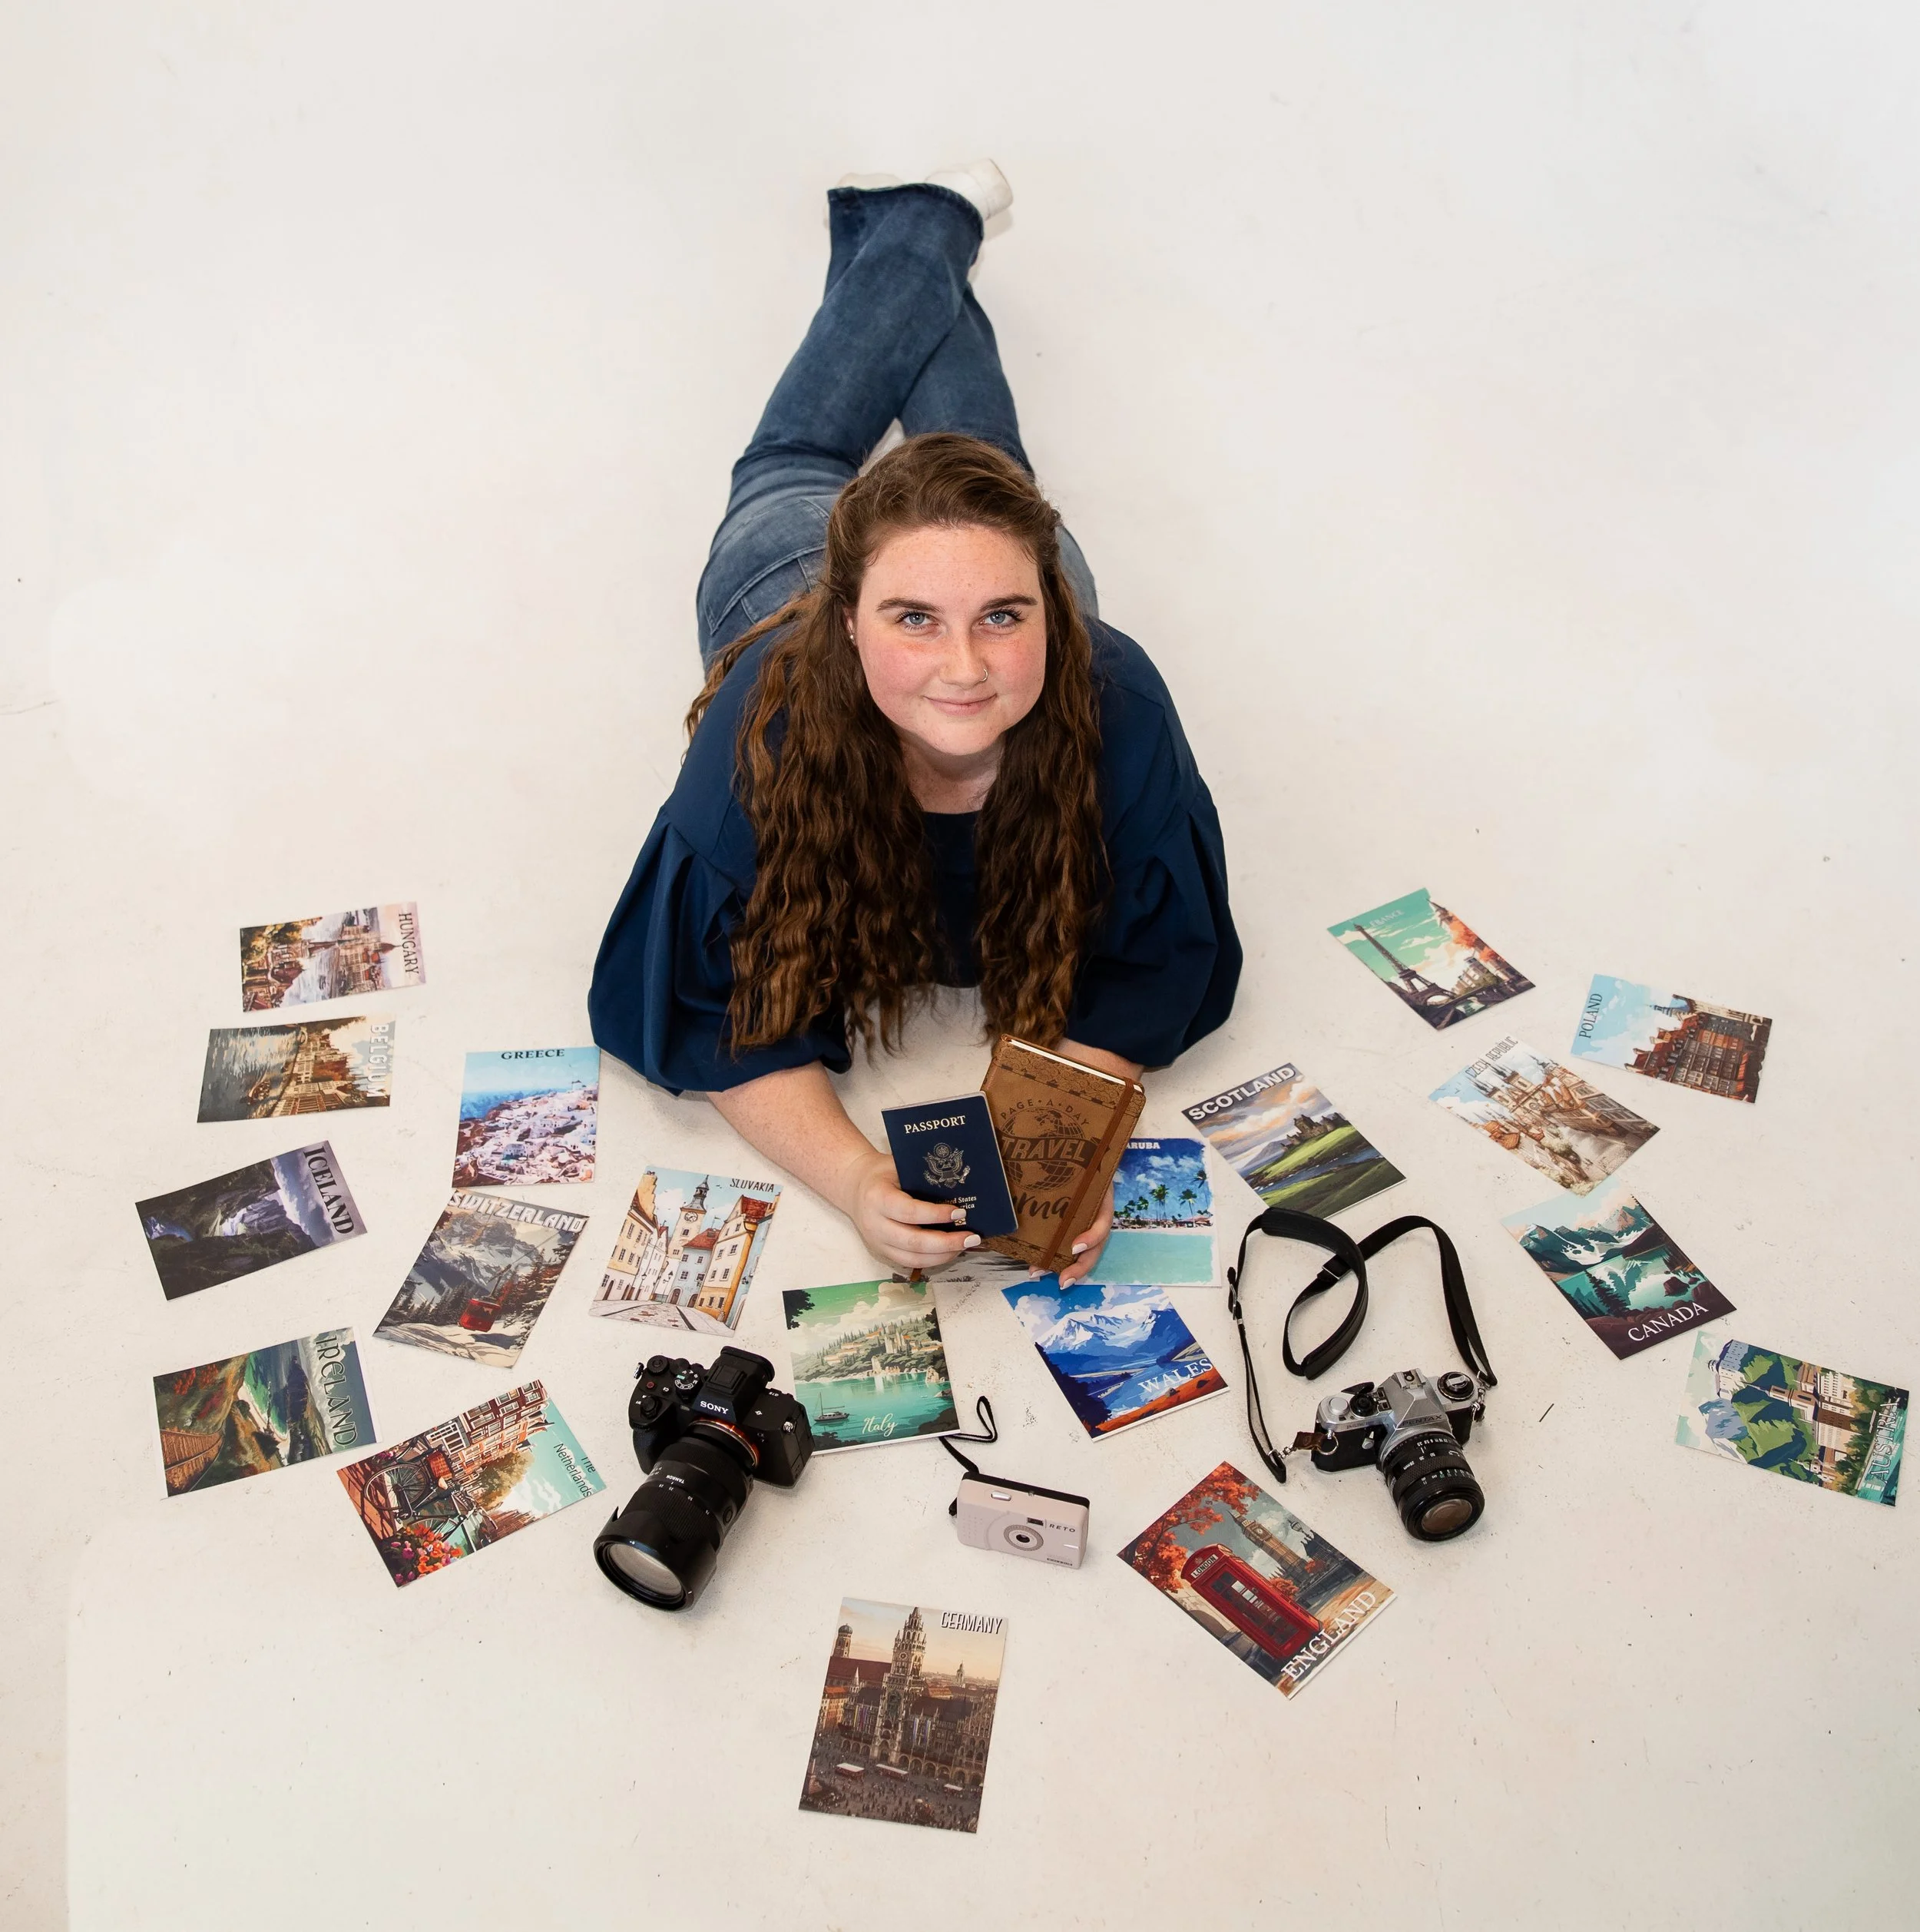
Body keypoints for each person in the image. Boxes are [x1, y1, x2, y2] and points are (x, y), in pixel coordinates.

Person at [590, 161, 1240, 1284]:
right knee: (794, 460)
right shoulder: (766, 729)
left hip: (973, 560)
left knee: (986, 479)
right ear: (850, 623)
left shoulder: (1114, 695)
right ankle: (934, 223)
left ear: (1050, 607)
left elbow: (1154, 966)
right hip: (783, 561)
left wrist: (1058, 1150)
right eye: (911, 620)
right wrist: (856, 1181)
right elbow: (703, 1005)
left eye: (1006, 616)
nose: (965, 669)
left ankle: (916, 231)